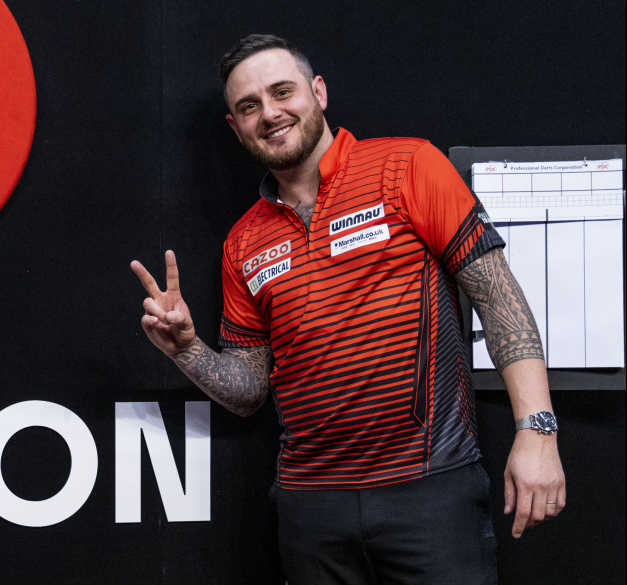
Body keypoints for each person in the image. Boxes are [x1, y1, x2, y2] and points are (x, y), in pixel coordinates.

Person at [130, 34, 565, 585]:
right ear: (234, 126)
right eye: (249, 106)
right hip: (311, 510)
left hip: (430, 489)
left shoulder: (408, 165)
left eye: (282, 91)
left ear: (318, 92)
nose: (269, 113)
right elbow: (249, 390)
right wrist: (187, 351)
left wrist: (538, 430)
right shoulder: (242, 242)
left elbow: (498, 297)